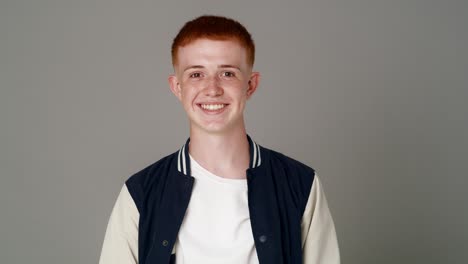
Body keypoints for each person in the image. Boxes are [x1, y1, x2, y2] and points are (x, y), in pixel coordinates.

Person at [99, 15, 340, 264]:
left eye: (227, 73)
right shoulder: (141, 193)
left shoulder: (300, 185)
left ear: (250, 85)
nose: (212, 88)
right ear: (177, 87)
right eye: (196, 74)